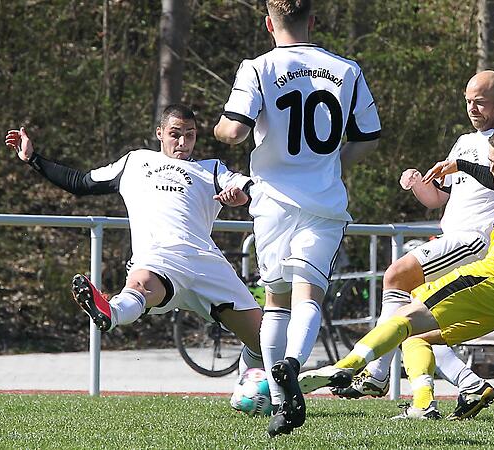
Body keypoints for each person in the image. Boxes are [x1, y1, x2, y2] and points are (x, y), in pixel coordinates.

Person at [299, 123, 494, 420]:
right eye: (491, 161)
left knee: (404, 314)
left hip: (490, 278)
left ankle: (345, 367)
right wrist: (462, 165)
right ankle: (424, 404)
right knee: (419, 337)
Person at [330, 71, 494, 421]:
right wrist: (416, 183)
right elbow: (437, 199)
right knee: (417, 324)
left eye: (481, 102)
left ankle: (377, 373)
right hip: (452, 237)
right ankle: (466, 386)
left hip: (476, 241)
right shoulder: (462, 141)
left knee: (396, 277)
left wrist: (463, 165)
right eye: (468, 100)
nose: (472, 108)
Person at [213, 0, 380, 437]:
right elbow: (369, 137)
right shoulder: (346, 69)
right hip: (323, 202)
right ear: (313, 21)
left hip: (271, 202)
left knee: (275, 301)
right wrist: (334, 160)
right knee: (310, 295)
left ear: (269, 23)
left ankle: (279, 397)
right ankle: (292, 365)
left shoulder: (257, 67)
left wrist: (218, 130)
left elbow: (233, 131)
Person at [4, 104, 265, 377]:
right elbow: (80, 182)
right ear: (159, 133)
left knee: (265, 344)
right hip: (160, 258)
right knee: (139, 285)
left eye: (190, 134)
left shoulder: (211, 170)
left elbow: (248, 187)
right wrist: (33, 158)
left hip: (206, 263)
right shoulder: (135, 161)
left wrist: (241, 196)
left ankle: (251, 388)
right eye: (175, 134)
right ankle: (111, 312)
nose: (183, 142)